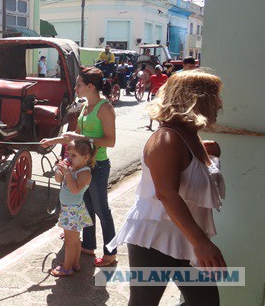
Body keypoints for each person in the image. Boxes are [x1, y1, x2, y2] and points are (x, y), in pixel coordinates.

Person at [107, 70, 226, 305]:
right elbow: (166, 194)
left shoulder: (190, 137)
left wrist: (212, 156)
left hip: (188, 235)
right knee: (144, 302)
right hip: (156, 236)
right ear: (195, 99)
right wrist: (202, 243)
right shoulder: (166, 139)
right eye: (215, 96)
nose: (219, 103)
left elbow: (193, 179)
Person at [41, 66, 117, 267]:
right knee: (87, 207)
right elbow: (73, 137)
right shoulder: (85, 107)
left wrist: (82, 137)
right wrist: (53, 140)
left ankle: (111, 253)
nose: (75, 88)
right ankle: (89, 246)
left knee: (102, 210)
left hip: (98, 165)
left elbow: (110, 141)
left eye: (79, 84)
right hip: (83, 166)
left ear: (90, 86)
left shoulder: (105, 107)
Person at [49, 139, 96, 277]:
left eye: (74, 156)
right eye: (68, 155)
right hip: (69, 209)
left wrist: (68, 173)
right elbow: (58, 179)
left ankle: (66, 267)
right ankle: (75, 263)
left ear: (85, 158)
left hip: (73, 211)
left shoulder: (85, 173)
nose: (69, 158)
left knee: (70, 242)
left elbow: (75, 190)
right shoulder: (72, 168)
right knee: (75, 240)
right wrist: (59, 169)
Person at [147, 65, 168, 129]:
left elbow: (166, 86)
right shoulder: (152, 77)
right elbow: (151, 86)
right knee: (152, 109)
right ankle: (150, 124)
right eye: (155, 70)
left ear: (161, 70)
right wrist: (148, 95)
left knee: (160, 109)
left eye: (158, 70)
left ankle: (160, 124)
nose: (156, 71)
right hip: (154, 94)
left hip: (161, 95)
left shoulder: (165, 77)